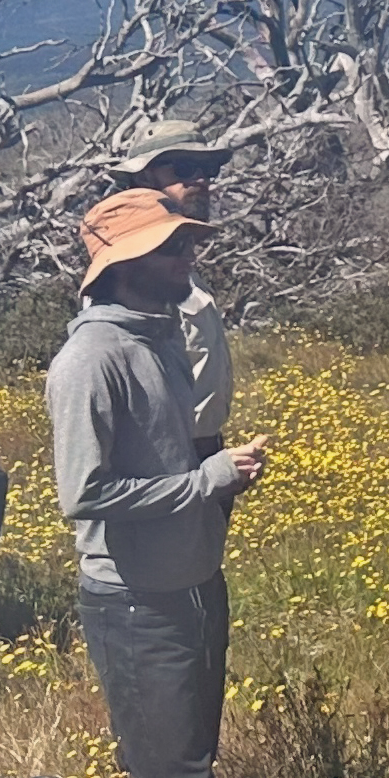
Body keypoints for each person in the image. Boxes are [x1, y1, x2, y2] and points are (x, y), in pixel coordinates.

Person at [47, 186, 270, 778]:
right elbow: (84, 495)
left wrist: (215, 480)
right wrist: (207, 482)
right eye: (173, 247)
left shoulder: (158, 338)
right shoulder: (91, 360)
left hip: (192, 585)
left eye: (185, 244)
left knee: (172, 771)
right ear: (126, 264)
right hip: (136, 603)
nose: (188, 258)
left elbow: (168, 463)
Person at [112, 129, 240, 648]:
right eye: (182, 168)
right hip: (168, 469)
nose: (201, 180)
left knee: (201, 614)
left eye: (207, 169)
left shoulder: (178, 270)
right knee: (169, 626)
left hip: (203, 458)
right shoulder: (138, 274)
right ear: (144, 178)